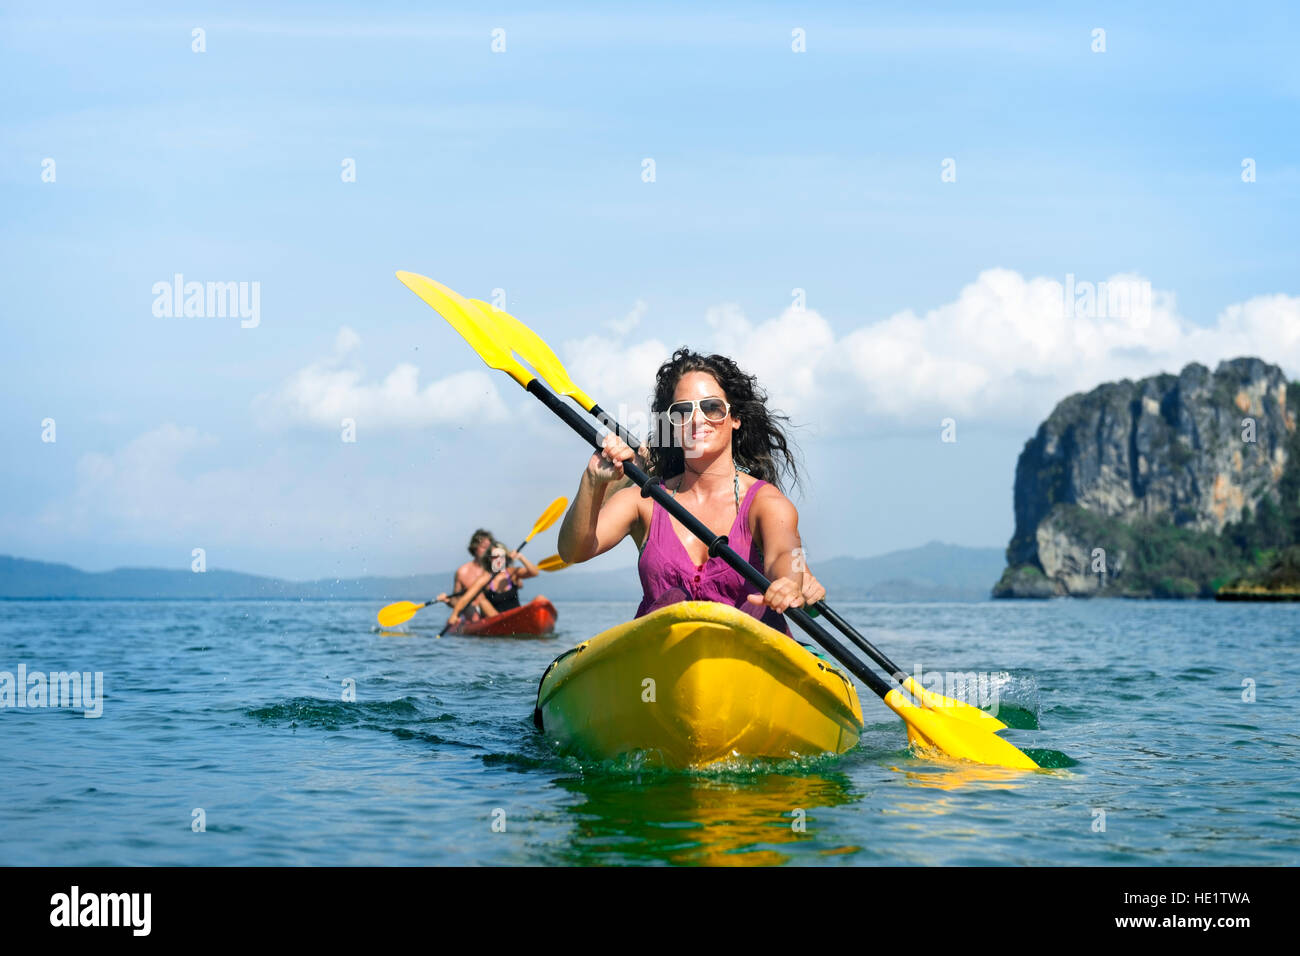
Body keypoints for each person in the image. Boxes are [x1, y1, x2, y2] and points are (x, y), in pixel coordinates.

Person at [556, 347, 825, 634]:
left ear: (735, 419)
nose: (697, 419)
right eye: (682, 411)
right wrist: (593, 481)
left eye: (712, 407)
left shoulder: (766, 502)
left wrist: (788, 582)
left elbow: (786, 554)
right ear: (670, 426)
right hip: (661, 667)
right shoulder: (642, 502)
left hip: (751, 659)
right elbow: (573, 551)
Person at [446, 540, 541, 629]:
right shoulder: (485, 578)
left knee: (540, 598)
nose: (498, 560)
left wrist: (521, 557)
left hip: (516, 617)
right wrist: (454, 615)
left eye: (501, 556)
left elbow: (535, 572)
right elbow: (466, 598)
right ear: (490, 559)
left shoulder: (513, 573)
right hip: (495, 619)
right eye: (495, 557)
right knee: (480, 598)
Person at [435, 529, 495, 620]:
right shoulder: (462, 572)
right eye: (483, 547)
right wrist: (448, 600)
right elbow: (456, 600)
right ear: (474, 548)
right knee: (472, 611)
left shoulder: (498, 570)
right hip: (473, 615)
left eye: (489, 548)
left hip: (494, 610)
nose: (487, 551)